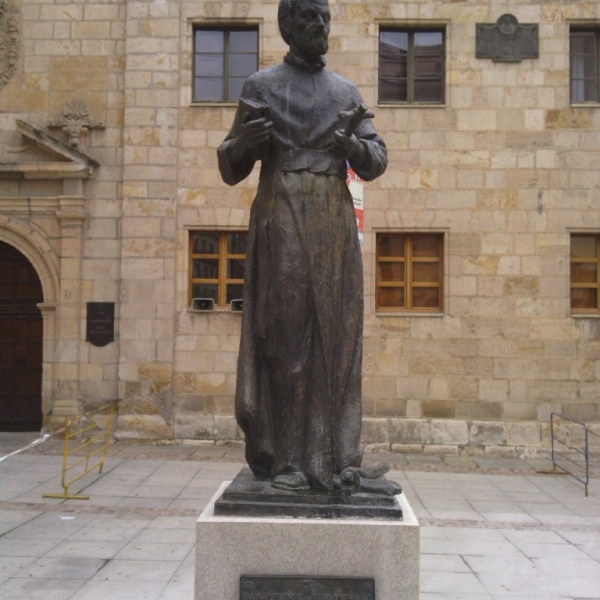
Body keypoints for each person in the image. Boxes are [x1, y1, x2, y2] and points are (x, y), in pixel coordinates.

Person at [217, 0, 387, 492]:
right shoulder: (261, 86)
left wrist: (352, 148)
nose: (320, 25)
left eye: (324, 17)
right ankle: (287, 459)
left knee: (335, 338)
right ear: (287, 26)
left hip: (332, 217)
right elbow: (230, 168)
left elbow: (376, 158)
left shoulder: (345, 91)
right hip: (284, 208)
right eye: (309, 17)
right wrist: (247, 141)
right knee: (287, 335)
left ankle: (334, 458)